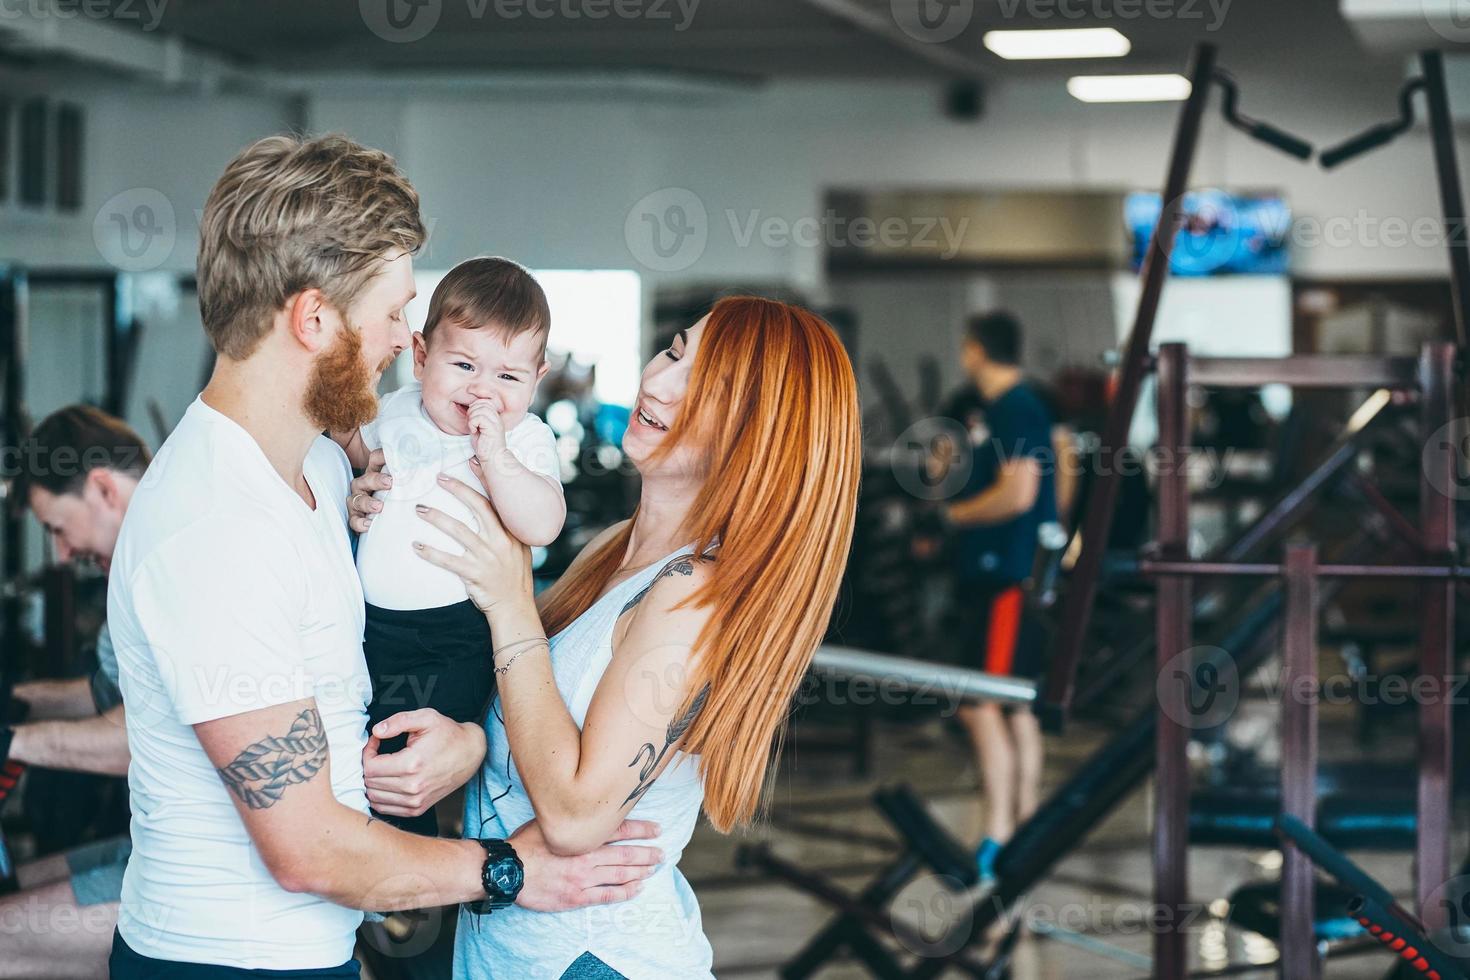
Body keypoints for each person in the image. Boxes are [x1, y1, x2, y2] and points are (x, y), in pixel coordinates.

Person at [106, 133, 662, 979]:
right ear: (316, 319)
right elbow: (308, 850)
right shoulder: (213, 528)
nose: (408, 340)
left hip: (312, 950)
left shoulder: (328, 471)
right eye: (397, 311)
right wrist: (510, 869)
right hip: (227, 964)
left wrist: (466, 743)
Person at [350, 295, 863, 978]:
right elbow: (523, 727)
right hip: (517, 952)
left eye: (704, 384)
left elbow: (574, 817)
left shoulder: (692, 593)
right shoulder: (617, 550)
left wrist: (510, 603)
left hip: (592, 958)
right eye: (676, 352)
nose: (659, 382)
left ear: (758, 435)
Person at [334, 256, 563, 836]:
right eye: (464, 364)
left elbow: (543, 525)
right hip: (369, 625)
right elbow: (356, 456)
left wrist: (496, 459)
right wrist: (351, 462)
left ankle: (409, 875)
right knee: (362, 743)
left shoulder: (526, 440)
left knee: (422, 744)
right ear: (419, 357)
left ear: (538, 378)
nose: (483, 389)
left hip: (456, 632)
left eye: (508, 377)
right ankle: (371, 859)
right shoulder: (395, 411)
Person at [0, 404, 148, 979]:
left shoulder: (174, 564)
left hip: (218, 877)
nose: (60, 555)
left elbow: (142, 741)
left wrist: (15, 740)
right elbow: (102, 691)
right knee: (19, 884)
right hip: (163, 839)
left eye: (57, 530)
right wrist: (19, 698)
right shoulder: (133, 566)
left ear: (103, 489)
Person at [942, 311, 1057, 880]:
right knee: (1012, 704)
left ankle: (999, 836)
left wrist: (953, 516)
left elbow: (1019, 493)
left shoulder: (1017, 407)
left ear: (974, 350)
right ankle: (1024, 830)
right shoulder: (1008, 410)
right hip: (1005, 573)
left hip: (1005, 576)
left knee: (980, 703)